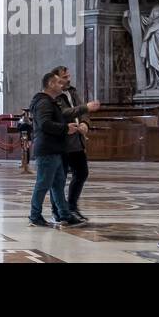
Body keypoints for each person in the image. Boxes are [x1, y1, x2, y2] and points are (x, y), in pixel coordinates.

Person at [27, 70, 83, 227]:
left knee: (58, 184)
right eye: (59, 82)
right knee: (43, 183)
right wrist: (66, 128)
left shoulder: (50, 101)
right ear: (50, 84)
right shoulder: (44, 102)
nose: (62, 85)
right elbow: (45, 124)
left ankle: (64, 214)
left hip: (55, 149)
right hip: (47, 149)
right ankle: (34, 215)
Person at [54, 68, 100, 220]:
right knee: (59, 178)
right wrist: (86, 107)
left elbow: (82, 112)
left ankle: (72, 206)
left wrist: (86, 123)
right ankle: (59, 211)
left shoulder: (72, 91)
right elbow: (65, 112)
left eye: (69, 76)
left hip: (77, 141)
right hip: (63, 141)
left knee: (81, 173)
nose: (68, 79)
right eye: (65, 77)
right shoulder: (54, 95)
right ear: (56, 79)